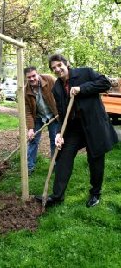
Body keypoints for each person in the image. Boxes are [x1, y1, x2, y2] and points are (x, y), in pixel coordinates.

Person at [36, 54, 118, 208]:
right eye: (54, 68)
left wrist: (82, 88)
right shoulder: (57, 88)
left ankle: (95, 193)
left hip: (94, 125)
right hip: (74, 128)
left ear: (67, 63)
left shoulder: (85, 73)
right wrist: (60, 133)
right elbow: (62, 113)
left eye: (59, 65)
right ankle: (57, 196)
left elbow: (105, 83)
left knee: (95, 160)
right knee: (63, 157)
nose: (57, 69)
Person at [24, 66, 59, 174]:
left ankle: (55, 165)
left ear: (37, 74)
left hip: (54, 116)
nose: (32, 79)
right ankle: (29, 167)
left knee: (54, 140)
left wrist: (60, 112)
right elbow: (28, 112)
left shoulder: (49, 79)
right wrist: (30, 128)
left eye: (34, 75)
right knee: (33, 140)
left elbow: (60, 94)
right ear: (26, 78)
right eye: (29, 77)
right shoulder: (25, 91)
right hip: (38, 117)